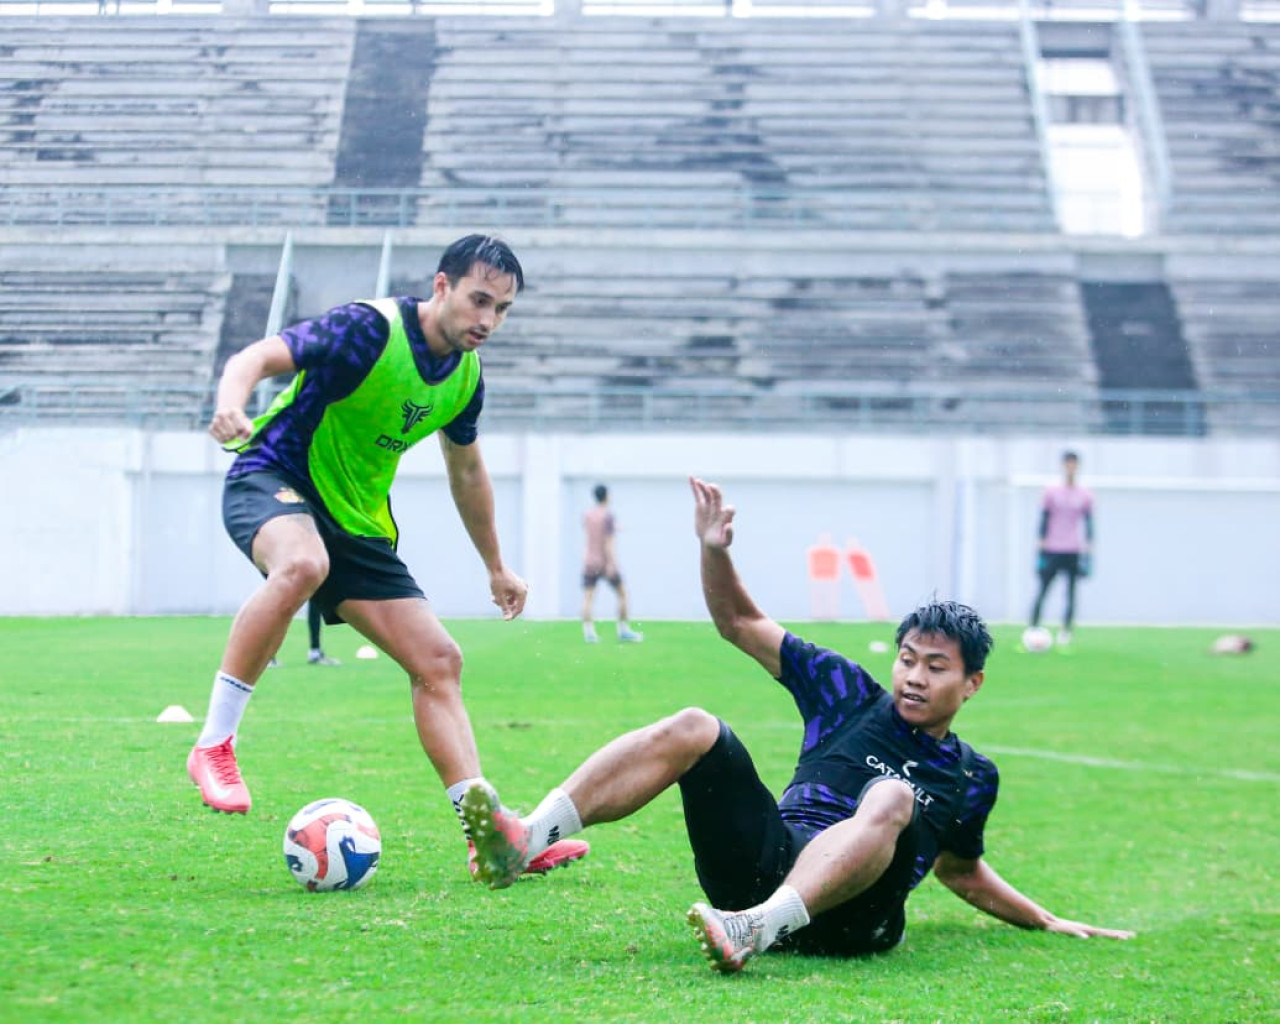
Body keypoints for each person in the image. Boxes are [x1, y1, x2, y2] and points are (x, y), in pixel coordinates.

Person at [461, 476, 1134, 973]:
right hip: (759, 871)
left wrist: (1044, 920)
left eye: (935, 666)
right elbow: (741, 624)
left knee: (892, 795)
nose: (914, 677)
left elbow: (962, 871)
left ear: (971, 683)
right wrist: (714, 550)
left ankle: (761, 929)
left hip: (857, 920)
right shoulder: (848, 693)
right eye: (907, 659)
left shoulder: (970, 775)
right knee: (697, 725)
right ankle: (526, 839)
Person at [187, 234, 586, 877]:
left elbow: (467, 473)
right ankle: (214, 745)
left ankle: (486, 836)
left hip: (356, 524)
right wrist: (230, 403)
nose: (487, 320)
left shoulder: (465, 377)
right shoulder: (366, 330)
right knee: (302, 564)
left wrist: (495, 565)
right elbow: (258, 355)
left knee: (439, 660)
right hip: (272, 476)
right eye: (479, 299)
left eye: (503, 309)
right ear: (441, 287)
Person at [1029, 450, 1094, 646]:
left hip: (1073, 549)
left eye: (1074, 464)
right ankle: (1033, 628)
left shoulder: (1085, 494)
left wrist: (1089, 549)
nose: (1071, 468)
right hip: (1053, 547)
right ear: (1063, 466)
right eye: (1068, 464)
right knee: (1043, 589)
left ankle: (1066, 632)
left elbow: (1089, 522)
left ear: (1078, 467)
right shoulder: (1051, 491)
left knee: (1071, 592)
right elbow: (1044, 518)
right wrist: (1040, 546)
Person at [581, 483, 643, 643]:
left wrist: (614, 527)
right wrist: (612, 564)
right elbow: (608, 542)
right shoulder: (608, 516)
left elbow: (594, 533)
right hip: (604, 562)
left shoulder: (588, 515)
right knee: (623, 594)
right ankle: (623, 630)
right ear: (607, 496)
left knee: (588, 597)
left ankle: (589, 633)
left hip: (589, 562)